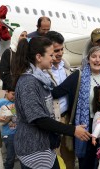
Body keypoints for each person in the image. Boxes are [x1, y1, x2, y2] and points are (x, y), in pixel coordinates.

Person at [11, 37, 91, 169]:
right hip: (33, 149)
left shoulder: (38, 79)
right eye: (50, 55)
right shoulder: (28, 83)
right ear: (38, 57)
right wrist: (73, 130)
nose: (53, 58)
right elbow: (39, 119)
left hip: (42, 145)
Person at [44, 30, 78, 169]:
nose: (60, 53)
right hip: (53, 120)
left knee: (69, 154)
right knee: (54, 157)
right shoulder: (43, 70)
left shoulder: (66, 66)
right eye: (56, 50)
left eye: (61, 49)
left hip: (67, 118)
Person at [0, 88, 24, 169]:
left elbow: (15, 115)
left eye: (15, 95)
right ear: (7, 92)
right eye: (13, 94)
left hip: (17, 132)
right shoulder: (2, 102)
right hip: (8, 134)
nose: (14, 97)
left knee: (22, 155)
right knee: (10, 157)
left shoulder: (15, 102)